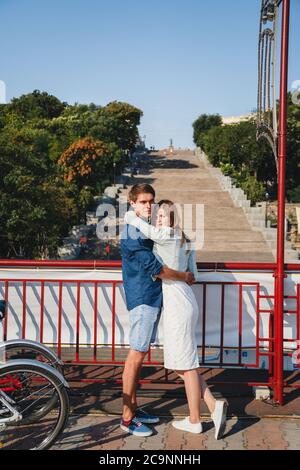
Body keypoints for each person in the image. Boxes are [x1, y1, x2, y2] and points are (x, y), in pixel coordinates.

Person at [124, 199, 227, 440]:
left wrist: (130, 215)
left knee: (186, 365)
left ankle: (197, 418)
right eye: (157, 215)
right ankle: (211, 405)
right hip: (187, 299)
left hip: (177, 304)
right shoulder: (186, 241)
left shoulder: (164, 234)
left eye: (162, 215)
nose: (158, 218)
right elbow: (194, 276)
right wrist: (182, 272)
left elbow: (146, 231)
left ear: (171, 219)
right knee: (183, 362)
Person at [120, 184, 195, 437]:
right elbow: (158, 269)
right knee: (136, 357)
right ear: (132, 203)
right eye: (143, 202)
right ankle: (127, 418)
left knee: (140, 355)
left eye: (151, 201)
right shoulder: (132, 232)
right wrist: (184, 275)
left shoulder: (146, 229)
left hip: (152, 298)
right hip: (143, 299)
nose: (149, 206)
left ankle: (134, 408)